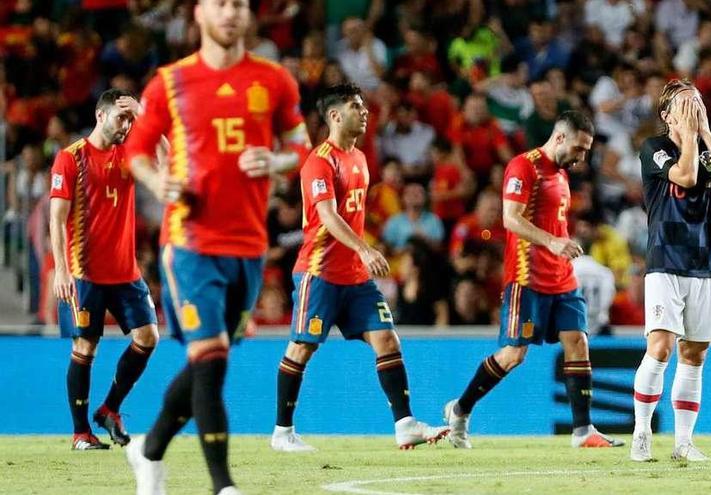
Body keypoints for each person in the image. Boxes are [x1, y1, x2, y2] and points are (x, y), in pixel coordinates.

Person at [121, 0, 312, 493]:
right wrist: (157, 181)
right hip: (190, 241)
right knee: (211, 357)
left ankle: (149, 449)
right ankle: (222, 485)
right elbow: (136, 152)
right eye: (221, 4)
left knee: (210, 358)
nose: (231, 13)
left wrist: (272, 161)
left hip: (249, 245)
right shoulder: (169, 82)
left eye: (239, 5)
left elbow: (301, 147)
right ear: (200, 13)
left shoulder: (274, 80)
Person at [272, 83, 449, 453]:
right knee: (302, 347)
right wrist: (364, 247)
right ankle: (282, 432)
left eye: (364, 105)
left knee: (387, 338)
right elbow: (326, 215)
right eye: (355, 106)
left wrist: (361, 253)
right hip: (319, 271)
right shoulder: (319, 161)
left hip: (354, 275)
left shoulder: (361, 159)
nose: (365, 111)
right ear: (335, 115)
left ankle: (405, 424)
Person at [443, 111, 623, 450]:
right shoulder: (524, 166)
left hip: (562, 278)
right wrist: (552, 242)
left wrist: (564, 240)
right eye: (579, 149)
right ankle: (461, 410)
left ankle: (583, 430)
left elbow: (553, 221)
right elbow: (511, 219)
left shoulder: (561, 174)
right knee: (513, 355)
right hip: (527, 278)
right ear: (559, 138)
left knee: (578, 342)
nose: (582, 157)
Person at [631, 79, 711, 463]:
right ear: (666, 115)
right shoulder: (654, 148)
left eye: (697, 101)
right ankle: (642, 431)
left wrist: (706, 131)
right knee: (661, 347)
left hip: (703, 262)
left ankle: (683, 442)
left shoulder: (706, 147)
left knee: (694, 354)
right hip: (665, 260)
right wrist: (691, 137)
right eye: (684, 103)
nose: (694, 107)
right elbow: (686, 176)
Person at [49, 89, 159, 451]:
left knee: (148, 337)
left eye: (130, 119)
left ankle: (110, 408)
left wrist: (144, 114)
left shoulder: (129, 154)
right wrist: (61, 270)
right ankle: (81, 434)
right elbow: (57, 217)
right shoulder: (71, 158)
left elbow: (172, 162)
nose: (126, 125)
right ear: (100, 115)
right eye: (121, 117)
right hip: (84, 271)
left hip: (125, 271)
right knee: (86, 345)